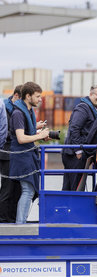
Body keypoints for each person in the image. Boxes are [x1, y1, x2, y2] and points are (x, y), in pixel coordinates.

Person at [9, 82, 52, 224]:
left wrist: (40, 133)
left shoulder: (27, 111)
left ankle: (20, 222)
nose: (40, 99)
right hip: (22, 157)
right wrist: (39, 136)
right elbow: (21, 138)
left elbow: (27, 134)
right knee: (27, 191)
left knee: (28, 191)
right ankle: (20, 225)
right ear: (28, 96)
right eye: (38, 96)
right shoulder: (18, 113)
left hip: (27, 156)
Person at [61, 85, 97, 191]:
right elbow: (74, 128)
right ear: (91, 94)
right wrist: (78, 150)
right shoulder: (83, 108)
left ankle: (67, 205)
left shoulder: (91, 109)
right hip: (74, 154)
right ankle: (72, 206)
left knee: (71, 186)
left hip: (75, 153)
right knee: (75, 186)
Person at [0, 85, 22, 223]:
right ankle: (3, 218)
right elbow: (5, 132)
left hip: (14, 153)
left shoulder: (13, 109)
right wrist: (21, 133)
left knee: (16, 188)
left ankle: (11, 217)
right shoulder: (7, 109)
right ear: (16, 96)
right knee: (7, 189)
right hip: (6, 153)